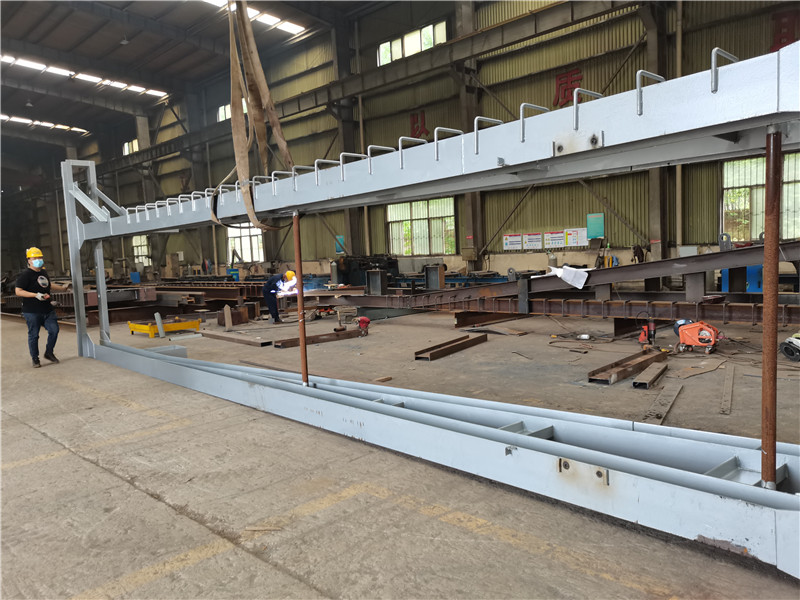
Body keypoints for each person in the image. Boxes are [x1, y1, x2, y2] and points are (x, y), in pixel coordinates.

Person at [15, 247, 72, 368]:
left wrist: (62, 288)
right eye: (35, 258)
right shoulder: (25, 275)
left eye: (40, 257)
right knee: (34, 335)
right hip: (32, 311)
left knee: (54, 330)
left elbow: (48, 285)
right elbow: (18, 291)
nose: (38, 260)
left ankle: (49, 352)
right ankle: (35, 358)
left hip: (47, 309)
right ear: (29, 260)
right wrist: (36, 295)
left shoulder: (43, 272)